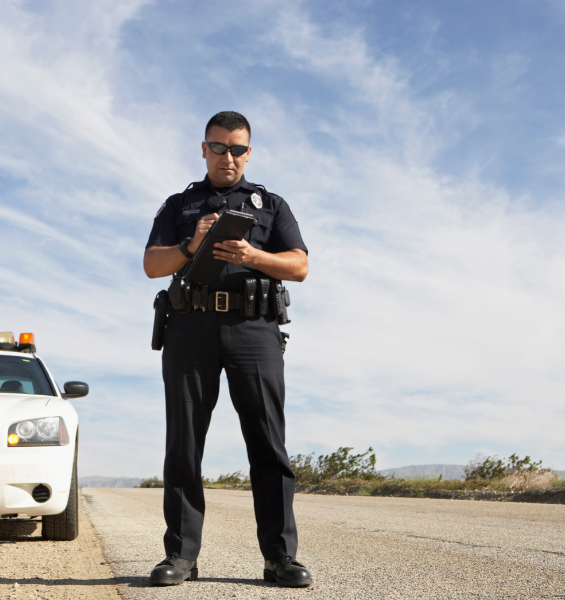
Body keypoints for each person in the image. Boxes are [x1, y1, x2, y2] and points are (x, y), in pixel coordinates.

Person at [143, 111, 312, 588]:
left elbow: (299, 265)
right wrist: (190, 244)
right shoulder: (181, 204)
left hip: (253, 330)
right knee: (184, 443)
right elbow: (151, 264)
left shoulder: (271, 204)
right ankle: (180, 557)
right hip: (190, 329)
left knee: (268, 444)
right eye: (218, 148)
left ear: (249, 152)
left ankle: (281, 558)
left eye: (237, 149)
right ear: (204, 149)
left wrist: (253, 257)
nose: (228, 157)